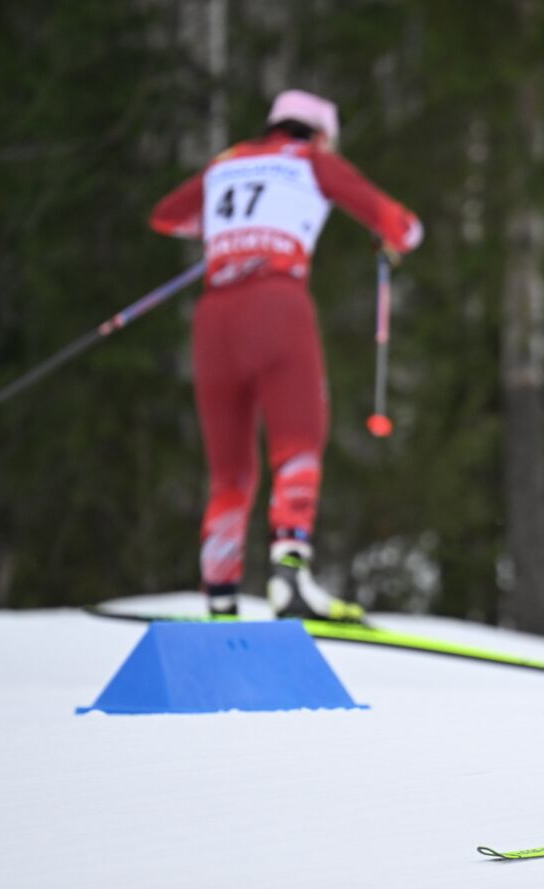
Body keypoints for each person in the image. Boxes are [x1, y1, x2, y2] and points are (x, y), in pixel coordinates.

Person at [149, 89, 424, 621]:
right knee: (298, 441)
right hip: (277, 305)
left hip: (214, 317)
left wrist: (222, 230)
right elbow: (404, 227)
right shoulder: (312, 160)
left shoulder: (225, 163)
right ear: (320, 134)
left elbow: (165, 217)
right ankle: (290, 579)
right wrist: (393, 240)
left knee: (230, 470)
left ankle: (220, 592)